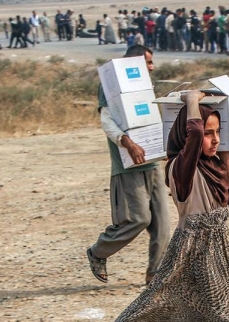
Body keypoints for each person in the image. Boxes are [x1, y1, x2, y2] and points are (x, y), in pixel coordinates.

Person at [114, 90, 229, 321]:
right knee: (215, 312)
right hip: (194, 249)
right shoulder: (182, 168)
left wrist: (226, 155)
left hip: (222, 249)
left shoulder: (213, 166)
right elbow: (193, 132)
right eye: (208, 133)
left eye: (218, 132)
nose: (215, 139)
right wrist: (191, 100)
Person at [87, 44, 171, 286]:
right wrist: (127, 142)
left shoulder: (143, 86)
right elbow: (107, 120)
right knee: (138, 219)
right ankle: (98, 252)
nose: (152, 67)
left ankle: (155, 277)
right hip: (128, 168)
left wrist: (161, 147)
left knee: (163, 226)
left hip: (151, 165)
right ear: (133, 62)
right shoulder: (109, 85)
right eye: (148, 62)